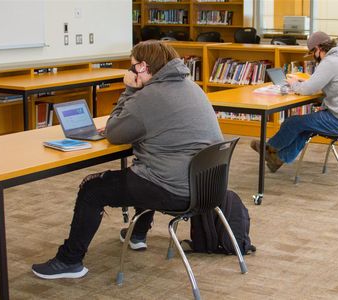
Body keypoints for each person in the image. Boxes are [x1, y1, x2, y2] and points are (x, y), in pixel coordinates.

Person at [32, 41, 223, 279]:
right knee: (144, 169)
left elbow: (114, 132)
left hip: (173, 188)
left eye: (132, 66)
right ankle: (137, 234)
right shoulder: (191, 86)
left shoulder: (150, 95)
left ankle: (69, 261)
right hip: (206, 186)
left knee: (92, 189)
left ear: (143, 67)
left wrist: (130, 89)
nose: (129, 71)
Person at [250, 31, 338, 172]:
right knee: (304, 127)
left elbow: (306, 90)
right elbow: (332, 84)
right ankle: (278, 159)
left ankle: (268, 150)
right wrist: (307, 82)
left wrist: (294, 83)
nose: (314, 58)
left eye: (312, 53)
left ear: (318, 49)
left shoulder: (330, 62)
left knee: (292, 122)